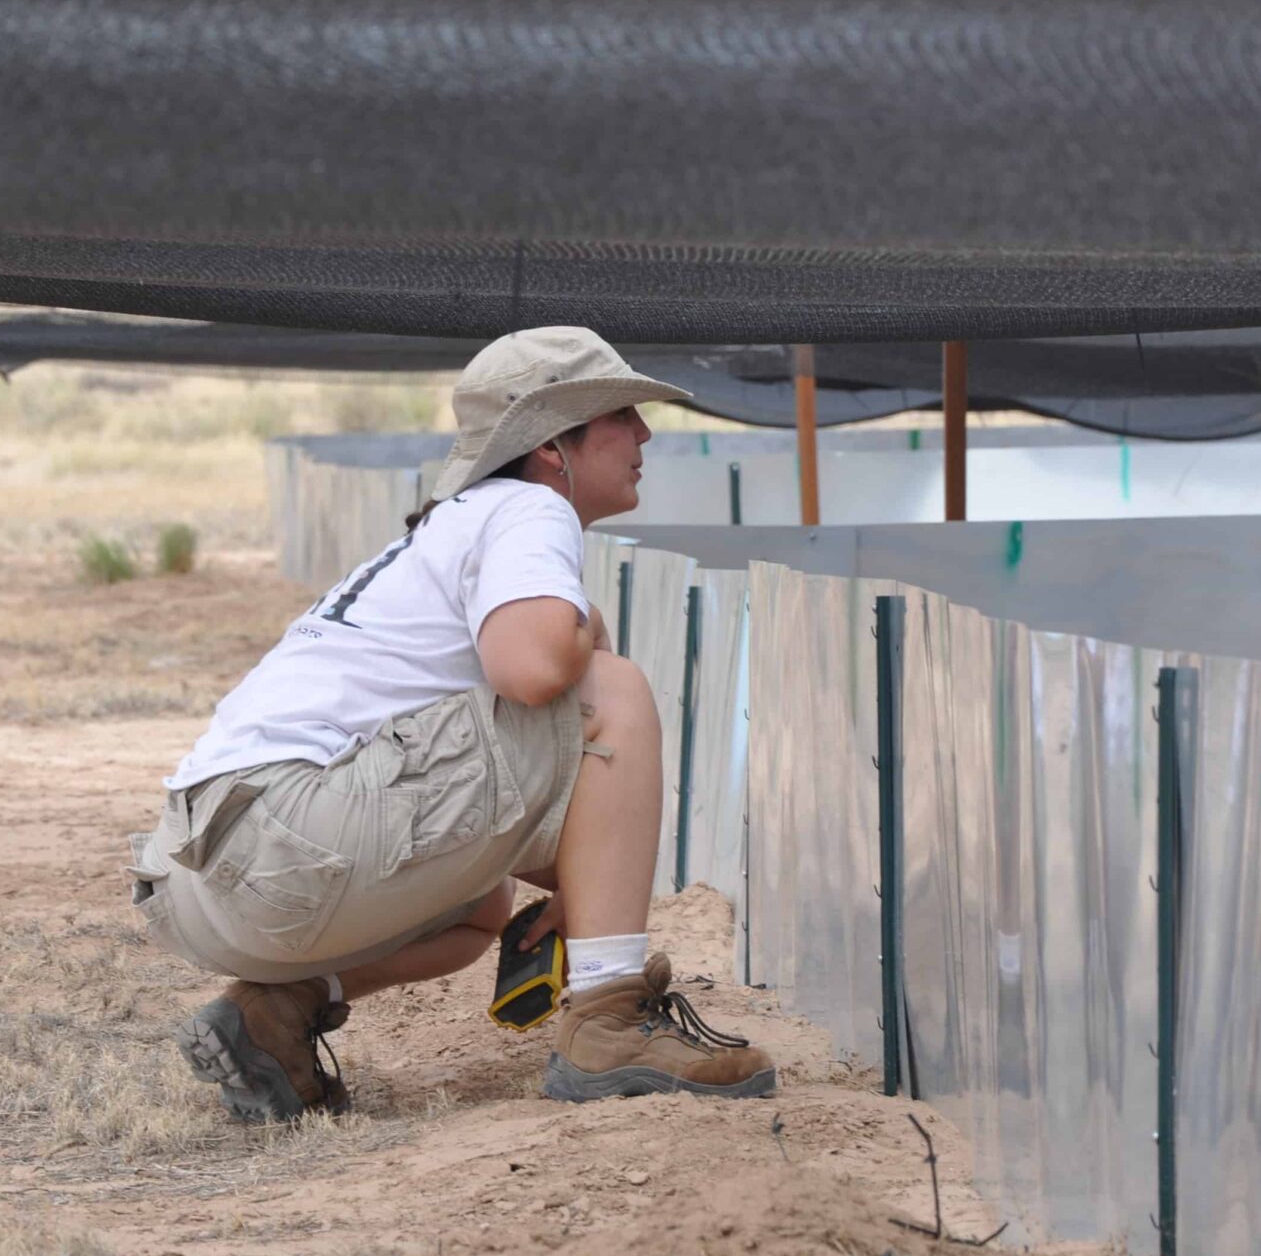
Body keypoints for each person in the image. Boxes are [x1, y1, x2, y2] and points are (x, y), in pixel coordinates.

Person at [129, 326, 777, 1121]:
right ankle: (608, 1019)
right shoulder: (529, 508)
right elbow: (534, 668)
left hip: (198, 882)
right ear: (551, 446)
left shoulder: (455, 524)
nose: (644, 433)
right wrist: (589, 630)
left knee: (480, 916)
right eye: (620, 414)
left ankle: (280, 1008)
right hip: (285, 844)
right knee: (612, 692)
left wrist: (584, 888)